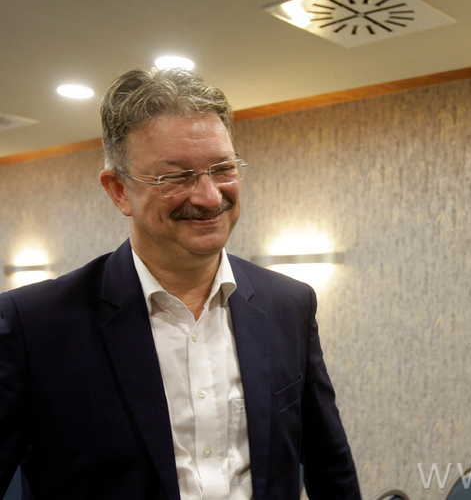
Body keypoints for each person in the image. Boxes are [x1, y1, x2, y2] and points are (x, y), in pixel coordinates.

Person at [0, 68, 361, 499]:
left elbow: (330, 467)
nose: (209, 196)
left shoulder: (289, 303)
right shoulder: (34, 324)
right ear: (118, 191)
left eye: (222, 168)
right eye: (176, 176)